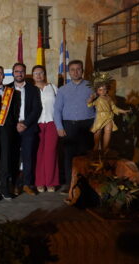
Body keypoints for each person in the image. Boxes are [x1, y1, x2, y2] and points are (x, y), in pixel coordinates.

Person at [54, 60, 95, 194]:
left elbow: (99, 107)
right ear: (69, 72)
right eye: (72, 69)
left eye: (78, 69)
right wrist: (59, 127)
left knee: (85, 156)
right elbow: (57, 110)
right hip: (69, 126)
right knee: (69, 157)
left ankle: (85, 184)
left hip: (87, 126)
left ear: (82, 71)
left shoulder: (92, 87)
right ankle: (68, 184)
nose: (75, 72)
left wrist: (96, 125)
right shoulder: (62, 90)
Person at [8, 63, 42, 196]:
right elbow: (5, 111)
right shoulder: (8, 89)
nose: (19, 74)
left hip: (28, 128)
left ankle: (27, 184)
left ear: (25, 72)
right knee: (14, 158)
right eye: (16, 71)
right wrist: (15, 124)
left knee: (28, 157)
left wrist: (25, 123)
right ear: (13, 73)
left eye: (22, 71)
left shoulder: (33, 89)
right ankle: (16, 184)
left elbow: (37, 109)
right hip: (13, 128)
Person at [0, 66, 21, 200]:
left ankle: (6, 189)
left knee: (6, 160)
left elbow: (15, 113)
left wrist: (12, 128)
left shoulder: (12, 92)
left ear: (3, 76)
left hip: (6, 130)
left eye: (0, 74)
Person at [87, 72, 130, 153]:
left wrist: (123, 111)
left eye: (104, 89)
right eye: (100, 89)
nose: (103, 91)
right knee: (97, 134)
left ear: (107, 89)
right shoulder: (97, 99)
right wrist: (90, 100)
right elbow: (89, 105)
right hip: (99, 118)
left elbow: (114, 108)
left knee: (108, 131)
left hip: (108, 117)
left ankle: (105, 148)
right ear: (97, 91)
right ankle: (96, 148)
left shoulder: (109, 98)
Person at [32, 65, 59, 193]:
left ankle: (51, 182)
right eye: (36, 73)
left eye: (41, 73)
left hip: (51, 123)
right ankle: (40, 182)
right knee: (39, 154)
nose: (38, 75)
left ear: (45, 74)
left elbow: (60, 107)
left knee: (51, 152)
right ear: (33, 76)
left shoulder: (53, 88)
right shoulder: (30, 90)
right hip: (36, 125)